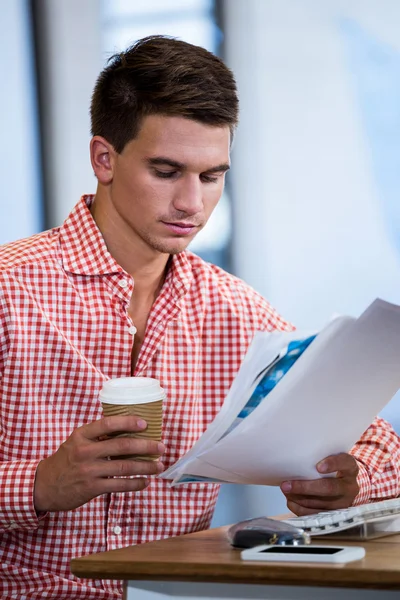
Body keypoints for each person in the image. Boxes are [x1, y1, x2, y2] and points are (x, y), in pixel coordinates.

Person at [0, 35, 399, 600]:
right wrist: (38, 484)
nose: (192, 203)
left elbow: (379, 444)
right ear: (103, 159)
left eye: (212, 177)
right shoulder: (9, 290)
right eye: (167, 171)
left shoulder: (230, 308)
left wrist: (348, 481)